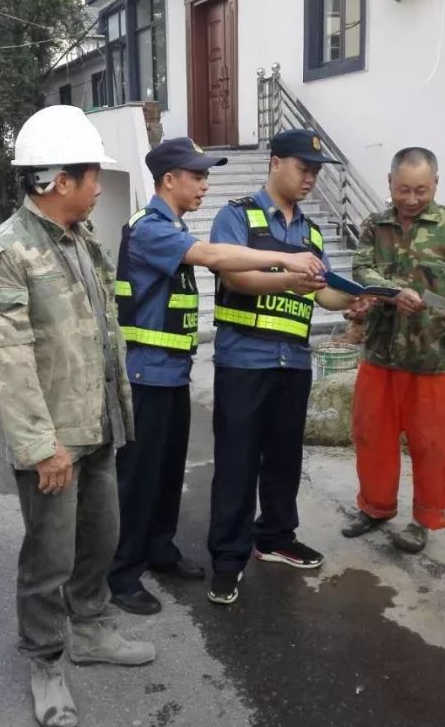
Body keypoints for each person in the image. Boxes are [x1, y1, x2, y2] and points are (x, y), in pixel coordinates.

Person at [0, 105, 153, 727]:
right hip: (53, 440)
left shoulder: (80, 239)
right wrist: (40, 446)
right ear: (59, 180)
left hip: (96, 422)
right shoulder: (7, 252)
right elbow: (6, 360)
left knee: (99, 538)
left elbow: (98, 331)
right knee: (49, 557)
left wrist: (115, 413)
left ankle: (93, 629)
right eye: (93, 175)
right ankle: (45, 661)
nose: (100, 186)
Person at [108, 137, 325, 615]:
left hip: (172, 374)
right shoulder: (150, 228)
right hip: (144, 374)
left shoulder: (174, 226)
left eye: (206, 175)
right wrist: (286, 260)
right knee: (139, 478)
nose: (205, 184)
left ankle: (160, 549)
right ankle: (122, 574)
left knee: (167, 473)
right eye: (197, 175)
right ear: (169, 180)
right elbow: (216, 258)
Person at [205, 128, 353, 605]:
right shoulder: (236, 216)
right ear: (275, 162)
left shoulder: (311, 232)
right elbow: (236, 276)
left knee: (285, 460)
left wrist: (357, 302)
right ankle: (227, 559)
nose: (310, 179)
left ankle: (274, 537)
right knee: (237, 462)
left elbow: (325, 293)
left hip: (294, 362)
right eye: (303, 168)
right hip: (245, 360)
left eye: (316, 172)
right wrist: (291, 277)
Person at [341, 147, 445, 552]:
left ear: (435, 184)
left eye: (420, 190)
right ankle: (375, 507)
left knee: (432, 445)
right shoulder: (375, 225)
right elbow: (361, 269)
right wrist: (391, 293)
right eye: (402, 190)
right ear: (390, 183)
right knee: (372, 435)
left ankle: (425, 519)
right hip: (381, 353)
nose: (410, 199)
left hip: (434, 357)